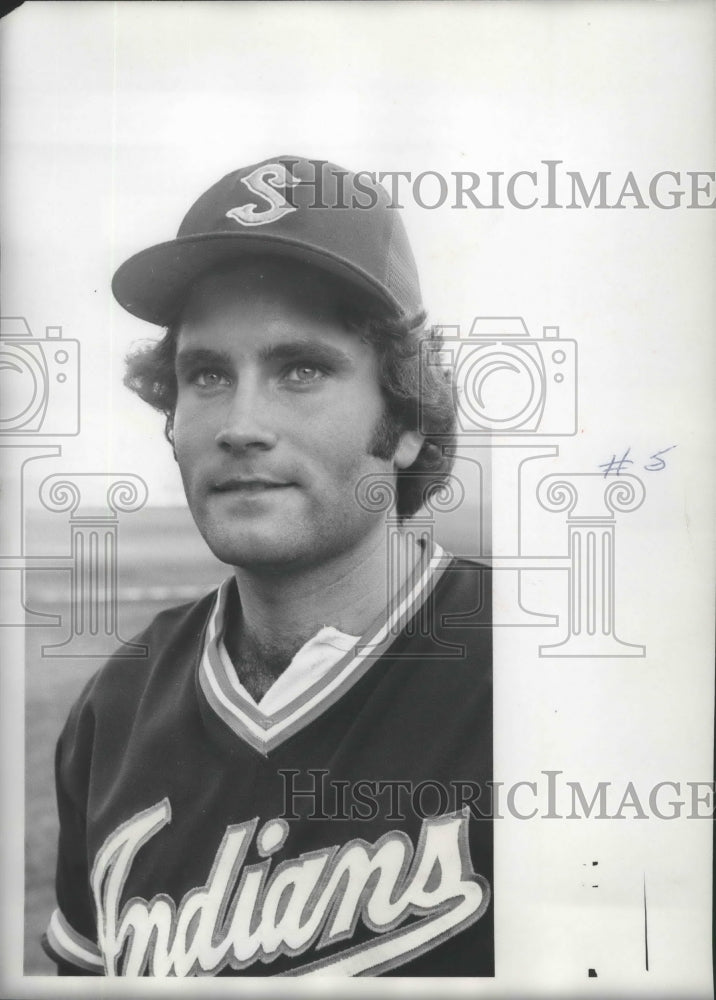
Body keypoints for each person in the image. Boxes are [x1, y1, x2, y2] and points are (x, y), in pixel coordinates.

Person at [42, 155, 493, 977]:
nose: (240, 423)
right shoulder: (115, 707)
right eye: (207, 374)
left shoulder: (533, 682)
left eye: (302, 369)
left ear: (405, 421)